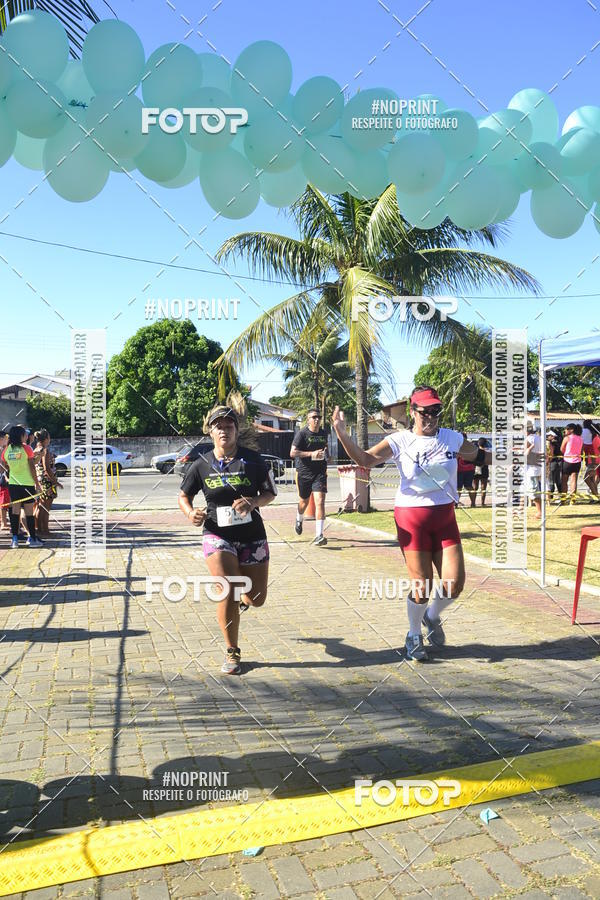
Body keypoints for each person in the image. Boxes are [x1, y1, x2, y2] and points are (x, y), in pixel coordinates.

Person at [332, 385, 492, 662]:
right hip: (411, 518)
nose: (430, 417)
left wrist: (519, 457)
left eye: (435, 411)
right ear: (413, 412)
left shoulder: (452, 438)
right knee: (422, 585)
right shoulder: (400, 440)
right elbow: (365, 460)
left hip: (445, 518)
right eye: (424, 412)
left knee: (455, 584)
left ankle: (432, 616)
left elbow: (479, 456)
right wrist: (343, 435)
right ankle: (413, 634)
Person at [178, 404, 277, 675]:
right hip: (216, 535)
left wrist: (254, 501)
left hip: (252, 536)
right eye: (218, 425)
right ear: (210, 431)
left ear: (236, 429)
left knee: (256, 598)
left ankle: (245, 602)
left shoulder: (254, 460)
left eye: (228, 425)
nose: (224, 429)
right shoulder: (201, 464)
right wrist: (190, 513)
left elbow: (270, 492)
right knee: (229, 588)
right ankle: (232, 651)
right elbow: (184, 496)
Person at [291, 409, 329, 546]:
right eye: (314, 417)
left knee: (320, 501)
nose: (317, 419)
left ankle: (319, 535)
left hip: (319, 473)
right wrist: (311, 454)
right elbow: (292, 452)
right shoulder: (302, 434)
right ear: (308, 419)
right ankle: (299, 518)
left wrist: (327, 455)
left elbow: (325, 447)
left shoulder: (324, 433)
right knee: (304, 502)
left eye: (319, 417)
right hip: (304, 473)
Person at [1, 425, 42, 548]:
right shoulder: (27, 448)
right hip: (27, 484)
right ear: (20, 436)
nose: (26, 436)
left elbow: (4, 465)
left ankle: (15, 540)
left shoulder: (6, 450)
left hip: (13, 485)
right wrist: (37, 484)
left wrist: (11, 471)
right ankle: (32, 539)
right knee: (29, 512)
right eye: (24, 434)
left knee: (15, 512)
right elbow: (31, 467)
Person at [33, 429, 62, 536]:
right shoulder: (44, 450)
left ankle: (38, 528)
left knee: (39, 505)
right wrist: (55, 482)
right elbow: (47, 469)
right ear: (46, 439)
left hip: (40, 480)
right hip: (47, 481)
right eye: (49, 437)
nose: (50, 439)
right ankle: (44, 529)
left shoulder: (36, 449)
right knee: (46, 506)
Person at [561, 423, 584, 501]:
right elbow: (581, 450)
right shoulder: (580, 438)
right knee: (574, 480)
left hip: (567, 461)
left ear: (571, 430)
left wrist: (566, 453)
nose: (565, 431)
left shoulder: (567, 438)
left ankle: (563, 499)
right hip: (577, 461)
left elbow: (562, 449)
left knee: (564, 480)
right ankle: (572, 500)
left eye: (567, 429)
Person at [526, 422, 542, 518]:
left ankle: (539, 512)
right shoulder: (538, 438)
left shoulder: (529, 439)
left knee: (534, 491)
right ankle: (539, 511)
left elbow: (526, 452)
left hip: (532, 469)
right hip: (538, 466)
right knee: (536, 490)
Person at [456, 433, 476, 507]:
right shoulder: (457, 446)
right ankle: (456, 503)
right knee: (459, 487)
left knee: (467, 486)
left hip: (468, 470)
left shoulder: (470, 446)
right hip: (460, 470)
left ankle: (473, 503)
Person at [583, 422, 600, 498]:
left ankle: (596, 495)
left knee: (587, 478)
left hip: (595, 462)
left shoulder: (597, 438)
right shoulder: (593, 438)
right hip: (592, 461)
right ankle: (595, 496)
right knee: (593, 480)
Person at [472, 438, 490, 506]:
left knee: (474, 487)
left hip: (476, 469)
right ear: (485, 444)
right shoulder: (487, 452)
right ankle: (482, 503)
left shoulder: (475, 452)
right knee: (483, 487)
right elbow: (488, 461)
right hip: (484, 469)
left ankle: (473, 503)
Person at [546, 430, 563, 502]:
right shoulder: (558, 443)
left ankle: (551, 497)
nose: (547, 437)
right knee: (558, 480)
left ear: (552, 436)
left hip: (552, 462)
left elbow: (551, 454)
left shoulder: (550, 443)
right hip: (558, 462)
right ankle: (561, 496)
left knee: (551, 481)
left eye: (548, 435)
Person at [0, 431, 10, 532]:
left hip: (5, 478)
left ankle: (4, 521)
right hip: (3, 479)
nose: (8, 440)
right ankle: (3, 522)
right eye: (6, 438)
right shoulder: (2, 450)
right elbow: (2, 468)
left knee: (6, 502)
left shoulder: (4, 449)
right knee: (3, 502)